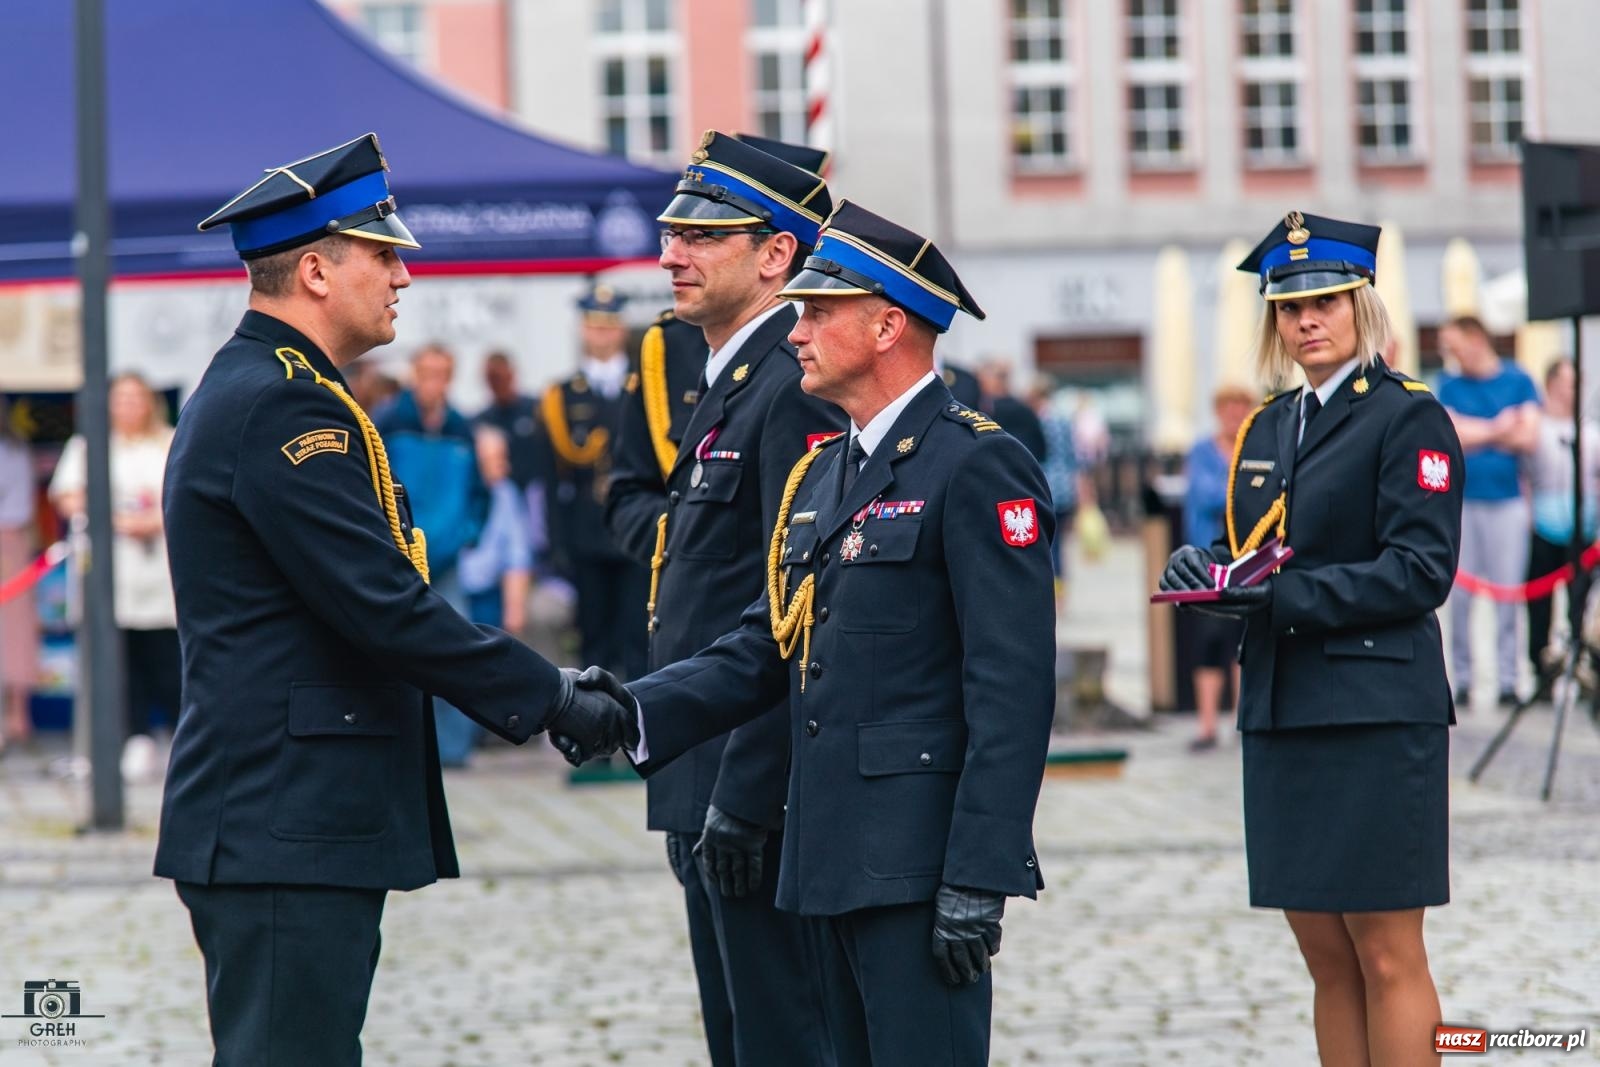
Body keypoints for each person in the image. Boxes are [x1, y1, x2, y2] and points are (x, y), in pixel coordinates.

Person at [155, 133, 630, 1066]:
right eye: (383, 254)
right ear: (319, 271)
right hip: (283, 815)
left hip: (288, 813)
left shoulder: (282, 389)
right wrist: (551, 696)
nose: (403, 274)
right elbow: (382, 604)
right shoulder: (283, 404)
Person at [588, 201, 1058, 1064]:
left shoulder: (976, 462)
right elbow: (765, 644)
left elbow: (1013, 687)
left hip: (919, 867)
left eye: (816, 312)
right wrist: (630, 709)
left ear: (887, 325)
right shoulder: (822, 470)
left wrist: (979, 875)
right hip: (826, 857)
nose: (796, 332)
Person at [1160, 211, 1463, 1066]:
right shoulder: (1266, 427)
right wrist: (1207, 570)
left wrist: (1280, 595)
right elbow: (1258, 551)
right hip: (1285, 706)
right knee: (1325, 959)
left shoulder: (1408, 418)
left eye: (1326, 300)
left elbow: (1419, 570)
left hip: (1374, 709)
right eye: (1290, 307)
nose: (1307, 320)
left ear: (1362, 307)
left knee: (1386, 952)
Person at [603, 131, 843, 1067]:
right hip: (703, 772)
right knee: (739, 1037)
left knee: (785, 1036)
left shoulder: (792, 385)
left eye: (704, 237)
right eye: (673, 235)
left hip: (755, 785)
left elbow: (796, 608)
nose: (672, 255)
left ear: (777, 254)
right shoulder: (731, 377)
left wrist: (742, 789)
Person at [49, 373, 180, 780]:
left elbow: (185, 492)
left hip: (159, 571)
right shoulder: (88, 446)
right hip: (112, 573)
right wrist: (118, 520)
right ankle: (133, 737)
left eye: (135, 398)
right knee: (119, 660)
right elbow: (69, 496)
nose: (128, 407)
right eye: (120, 399)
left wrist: (150, 521)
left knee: (167, 658)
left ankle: (179, 736)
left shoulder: (169, 441)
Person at [376, 342, 489, 767]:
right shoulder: (389, 421)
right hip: (399, 556)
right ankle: (404, 747)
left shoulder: (462, 427)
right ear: (414, 373)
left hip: (448, 562)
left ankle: (453, 750)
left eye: (442, 372)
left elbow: (480, 493)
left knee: (457, 650)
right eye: (427, 372)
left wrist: (468, 533)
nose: (433, 381)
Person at [536, 283, 651, 685]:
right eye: (594, 326)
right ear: (584, 331)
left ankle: (638, 735)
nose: (602, 334)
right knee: (592, 639)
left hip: (637, 529)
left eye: (609, 325)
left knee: (640, 639)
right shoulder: (563, 395)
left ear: (621, 330)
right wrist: (555, 542)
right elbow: (551, 479)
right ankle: (595, 733)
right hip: (586, 531)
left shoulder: (644, 388)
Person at [1437, 314, 1539, 707]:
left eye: (1454, 343)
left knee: (1507, 595)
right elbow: (1450, 435)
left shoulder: (1517, 379)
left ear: (1476, 338)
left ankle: (1509, 679)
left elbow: (1528, 436)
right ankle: (1462, 677)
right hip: (1462, 503)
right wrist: (1500, 428)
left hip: (1507, 502)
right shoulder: (1450, 384)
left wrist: (1476, 431)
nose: (1450, 353)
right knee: (1460, 597)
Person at [1180, 382, 1258, 751]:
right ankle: (1207, 724)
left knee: (1245, 642)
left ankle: (1242, 720)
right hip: (1209, 559)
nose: (1235, 414)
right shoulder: (1201, 451)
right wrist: (1244, 489)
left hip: (1251, 558)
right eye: (1229, 407)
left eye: (1241, 406)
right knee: (1209, 642)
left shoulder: (1258, 448)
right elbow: (1209, 496)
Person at [1524, 358, 1600, 674]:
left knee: (1580, 602)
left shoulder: (1592, 433)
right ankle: (1540, 665)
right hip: (1542, 525)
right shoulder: (1534, 428)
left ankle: (1581, 664)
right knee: (1539, 604)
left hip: (1582, 529)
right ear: (1553, 384)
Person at [0, 401, 38, 753]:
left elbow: (17, 508)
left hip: (7, 541)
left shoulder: (12, 451)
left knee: (12, 630)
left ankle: (16, 716)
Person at [475, 350, 542, 492]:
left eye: (501, 377)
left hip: (536, 492)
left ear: (512, 375)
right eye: (493, 378)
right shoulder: (482, 421)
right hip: (502, 496)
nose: (498, 383)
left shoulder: (537, 410)